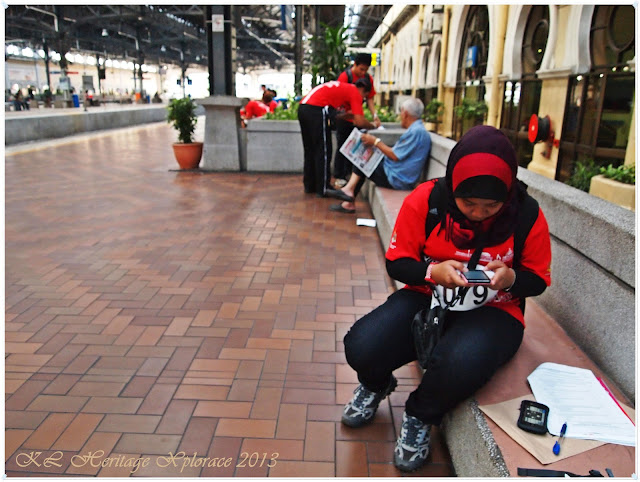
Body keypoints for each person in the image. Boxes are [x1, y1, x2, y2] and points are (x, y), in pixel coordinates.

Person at [340, 125, 552, 472]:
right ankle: (375, 384)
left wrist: (511, 278)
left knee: (460, 361)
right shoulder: (427, 200)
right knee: (362, 346)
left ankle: (420, 414)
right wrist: (431, 272)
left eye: (491, 206)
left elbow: (538, 280)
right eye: (468, 203)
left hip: (495, 310)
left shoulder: (526, 214)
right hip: (428, 297)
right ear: (453, 186)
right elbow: (397, 262)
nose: (478, 214)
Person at [326, 98, 430, 214]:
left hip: (397, 179)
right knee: (366, 155)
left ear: (405, 114)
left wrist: (375, 142)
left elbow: (395, 155)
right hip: (397, 173)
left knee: (364, 158)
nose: (400, 116)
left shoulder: (417, 132)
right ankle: (348, 197)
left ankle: (348, 193)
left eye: (400, 112)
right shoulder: (417, 130)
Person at [298, 79, 376, 197]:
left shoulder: (344, 88)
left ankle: (310, 185)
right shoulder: (355, 92)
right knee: (324, 150)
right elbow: (359, 121)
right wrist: (373, 125)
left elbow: (338, 115)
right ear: (364, 91)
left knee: (310, 149)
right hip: (317, 108)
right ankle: (323, 188)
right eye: (364, 97)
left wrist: (349, 116)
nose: (362, 100)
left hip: (304, 107)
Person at [334, 53, 381, 185]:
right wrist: (345, 112)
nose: (363, 72)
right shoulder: (345, 77)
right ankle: (339, 175)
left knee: (355, 147)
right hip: (344, 118)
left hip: (357, 118)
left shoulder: (368, 78)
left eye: (366, 70)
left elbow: (370, 98)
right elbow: (338, 97)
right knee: (342, 146)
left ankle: (350, 175)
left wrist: (375, 116)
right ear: (354, 64)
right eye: (361, 69)